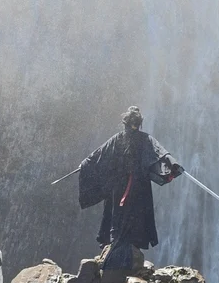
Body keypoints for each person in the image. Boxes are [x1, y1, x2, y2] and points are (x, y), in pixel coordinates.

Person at [78, 106, 182, 270]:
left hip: (124, 186)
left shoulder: (121, 139)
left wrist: (84, 165)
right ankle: (123, 252)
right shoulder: (141, 139)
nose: (134, 126)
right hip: (133, 187)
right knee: (131, 215)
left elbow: (96, 156)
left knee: (120, 215)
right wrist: (173, 163)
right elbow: (161, 154)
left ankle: (119, 251)